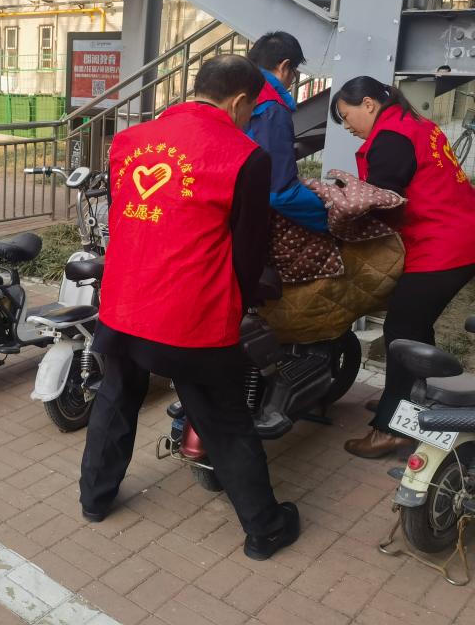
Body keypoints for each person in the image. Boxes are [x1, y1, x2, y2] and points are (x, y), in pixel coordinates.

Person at [79, 54, 299, 561]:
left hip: (125, 300)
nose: (249, 120)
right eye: (251, 111)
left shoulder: (128, 142)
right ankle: (265, 530)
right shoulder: (245, 157)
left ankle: (94, 500)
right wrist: (241, 302)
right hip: (191, 314)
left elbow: (131, 217)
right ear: (239, 101)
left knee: (116, 399)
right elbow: (247, 254)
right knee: (224, 421)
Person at [332, 77, 475, 457]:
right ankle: (407, 401)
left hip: (442, 243)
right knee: (414, 327)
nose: (347, 126)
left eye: (346, 116)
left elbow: (380, 198)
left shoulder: (392, 137)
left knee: (402, 331)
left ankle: (391, 430)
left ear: (368, 104)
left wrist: (337, 214)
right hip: (457, 233)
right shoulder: (415, 124)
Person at [246, 31, 327, 232]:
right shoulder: (271, 109)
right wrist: (330, 220)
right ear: (284, 66)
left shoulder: (239, 92)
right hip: (247, 219)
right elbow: (279, 191)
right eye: (294, 71)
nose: (293, 78)